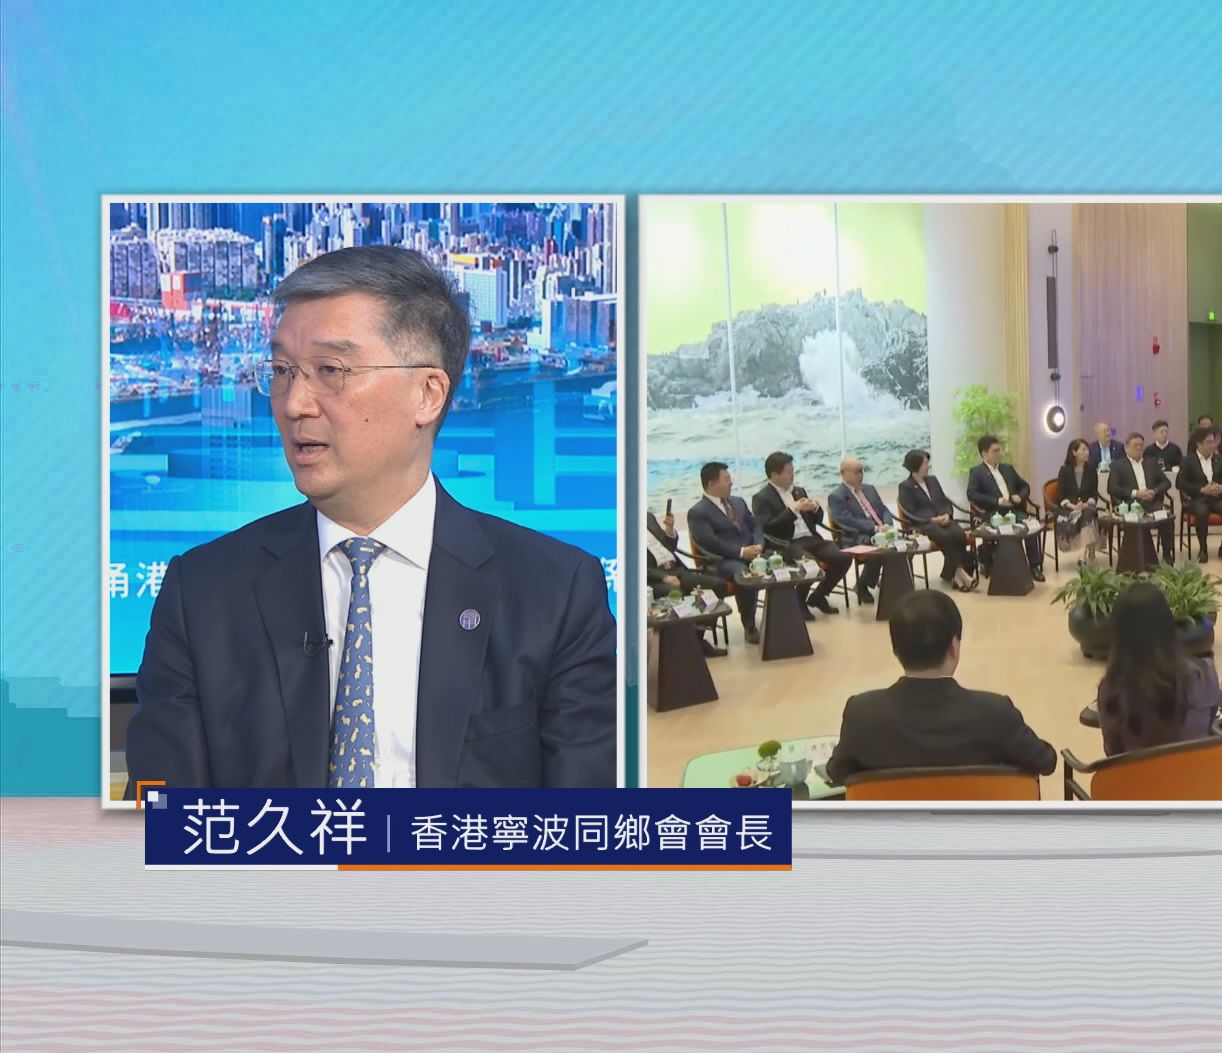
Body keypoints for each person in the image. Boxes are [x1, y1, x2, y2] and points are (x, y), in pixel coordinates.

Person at [124, 245, 615, 791]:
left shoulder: (555, 591)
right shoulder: (202, 592)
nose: (294, 404)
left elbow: (583, 823)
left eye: (330, 370)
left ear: (428, 394)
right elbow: (160, 819)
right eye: (283, 371)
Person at [822, 590, 1057, 784]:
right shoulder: (996, 712)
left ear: (895, 649)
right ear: (954, 646)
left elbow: (837, 772)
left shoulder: (862, 714)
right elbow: (1046, 762)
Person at [1097, 584, 1222, 757]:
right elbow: (1208, 728)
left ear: (1117, 633)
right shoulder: (1205, 675)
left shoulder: (1110, 692)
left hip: (1138, 775)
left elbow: (1113, 755)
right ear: (1168, 624)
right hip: (1197, 772)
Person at [751, 451, 850, 618]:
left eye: (793, 471)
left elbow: (817, 521)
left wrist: (815, 508)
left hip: (811, 538)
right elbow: (768, 528)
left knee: (844, 558)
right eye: (789, 472)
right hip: (786, 543)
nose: (793, 475)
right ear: (775, 474)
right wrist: (792, 510)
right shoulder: (761, 498)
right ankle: (799, 602)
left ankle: (818, 596)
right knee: (811, 565)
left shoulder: (799, 491)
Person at [689, 461, 769, 643]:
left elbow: (755, 525)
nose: (731, 483)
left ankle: (783, 616)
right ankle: (749, 625)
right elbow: (710, 543)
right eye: (726, 479)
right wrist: (741, 552)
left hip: (751, 552)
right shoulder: (698, 512)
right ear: (711, 484)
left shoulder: (738, 502)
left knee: (780, 561)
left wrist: (759, 545)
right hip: (722, 560)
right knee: (743, 572)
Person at [645, 509, 728, 658]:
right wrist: (663, 577)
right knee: (678, 595)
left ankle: (697, 638)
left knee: (717, 585)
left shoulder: (647, 517)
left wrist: (670, 531)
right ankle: (689, 645)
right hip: (652, 580)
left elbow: (669, 547)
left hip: (676, 570)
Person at [966, 434, 1047, 582]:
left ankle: (1034, 566)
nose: (999, 453)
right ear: (984, 454)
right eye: (995, 451)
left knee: (1031, 527)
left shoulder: (1007, 469)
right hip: (993, 512)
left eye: (999, 450)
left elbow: (1025, 486)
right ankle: (1003, 565)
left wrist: (1020, 497)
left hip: (1013, 510)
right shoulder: (977, 472)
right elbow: (972, 494)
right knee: (1006, 531)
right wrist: (996, 501)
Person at [897, 449, 977, 591]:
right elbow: (910, 512)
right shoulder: (905, 487)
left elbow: (943, 501)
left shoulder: (932, 480)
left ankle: (953, 574)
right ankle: (960, 573)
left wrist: (947, 515)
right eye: (925, 463)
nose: (928, 466)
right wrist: (933, 520)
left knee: (958, 533)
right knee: (945, 536)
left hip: (942, 520)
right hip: (923, 525)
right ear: (915, 465)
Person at [825, 456, 895, 604]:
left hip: (881, 531)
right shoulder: (836, 496)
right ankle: (862, 585)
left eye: (861, 471)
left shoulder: (869, 489)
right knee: (880, 549)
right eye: (856, 471)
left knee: (902, 546)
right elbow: (847, 520)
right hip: (855, 536)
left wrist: (887, 524)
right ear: (844, 473)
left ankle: (891, 580)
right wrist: (875, 528)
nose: (860, 475)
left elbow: (883, 509)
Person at [1110, 432, 1176, 562]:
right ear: (1126, 448)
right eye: (1135, 445)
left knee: (1167, 519)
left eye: (1141, 445)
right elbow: (1112, 488)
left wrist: (1154, 491)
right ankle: (1133, 557)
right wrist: (1136, 493)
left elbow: (1166, 483)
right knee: (1135, 521)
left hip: (1152, 503)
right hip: (1131, 505)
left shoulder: (1151, 463)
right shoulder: (1118, 466)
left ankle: (1167, 554)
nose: (1139, 448)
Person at [1177, 427, 1222, 562]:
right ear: (1199, 444)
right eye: (1208, 442)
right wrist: (1201, 490)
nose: (1212, 445)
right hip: (1198, 499)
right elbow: (1180, 483)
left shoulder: (1218, 459)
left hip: (1217, 498)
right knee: (1202, 513)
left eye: (1213, 442)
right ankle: (1203, 549)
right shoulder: (1188, 461)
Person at [1054, 438, 1104, 564]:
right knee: (1087, 516)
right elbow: (1060, 495)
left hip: (1086, 507)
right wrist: (1073, 506)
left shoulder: (1091, 470)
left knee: (1088, 513)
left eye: (1087, 450)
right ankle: (1090, 553)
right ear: (1074, 452)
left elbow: (1094, 493)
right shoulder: (1065, 470)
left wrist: (1087, 504)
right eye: (1083, 449)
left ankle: (1083, 554)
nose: (1087, 452)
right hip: (1068, 509)